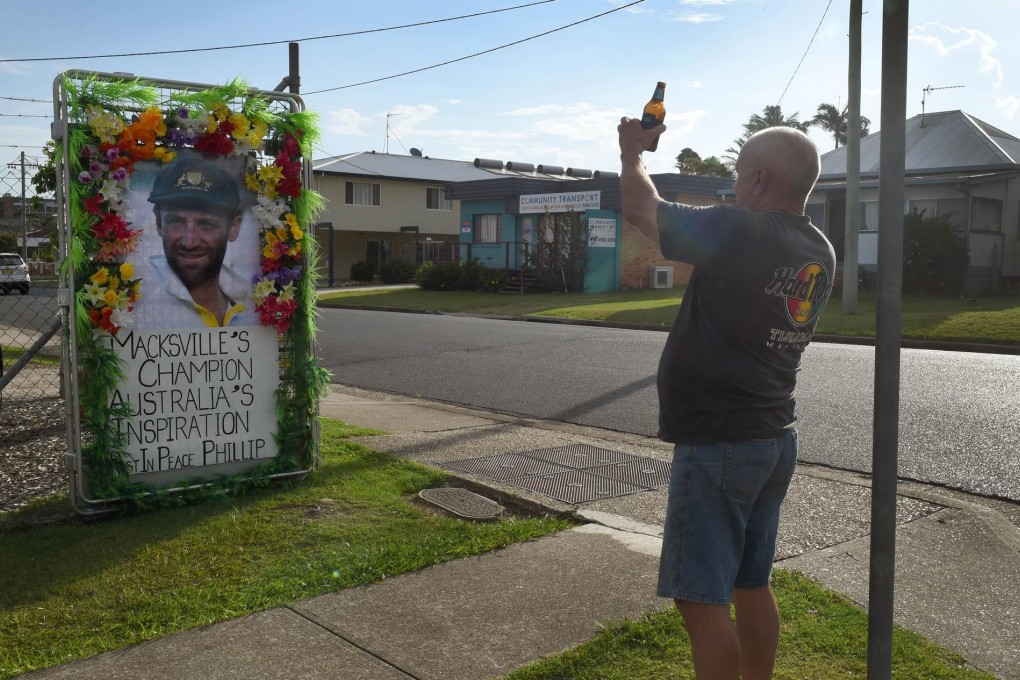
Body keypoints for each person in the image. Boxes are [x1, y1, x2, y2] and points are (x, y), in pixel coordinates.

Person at [618, 118, 835, 680]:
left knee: (702, 600)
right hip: (772, 438)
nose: (733, 187)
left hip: (720, 444)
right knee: (751, 582)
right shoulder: (818, 248)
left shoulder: (743, 231)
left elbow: (643, 210)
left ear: (759, 179)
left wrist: (631, 153)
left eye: (738, 175)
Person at [145, 154, 257, 328]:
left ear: (234, 227)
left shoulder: (256, 300)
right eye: (176, 221)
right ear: (159, 222)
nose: (189, 242)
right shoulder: (135, 305)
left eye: (206, 224)